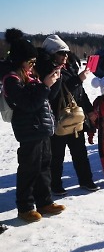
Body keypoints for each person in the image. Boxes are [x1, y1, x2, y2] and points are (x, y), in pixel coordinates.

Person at [3, 36, 65, 222]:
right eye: (30, 61)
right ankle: (25, 207)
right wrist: (44, 85)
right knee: (29, 169)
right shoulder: (12, 80)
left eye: (34, 61)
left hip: (42, 128)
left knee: (44, 167)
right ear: (19, 60)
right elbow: (29, 104)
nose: (32, 65)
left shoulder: (30, 76)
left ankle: (44, 201)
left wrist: (55, 80)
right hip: (28, 130)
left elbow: (46, 98)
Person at [36, 34, 99, 196]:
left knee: (80, 152)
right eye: (61, 53)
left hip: (74, 116)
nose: (65, 56)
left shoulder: (69, 67)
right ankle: (55, 184)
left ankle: (86, 180)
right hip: (57, 117)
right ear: (51, 53)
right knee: (56, 155)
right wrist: (78, 79)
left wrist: (90, 110)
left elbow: (79, 92)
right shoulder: (46, 69)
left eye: (66, 52)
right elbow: (54, 94)